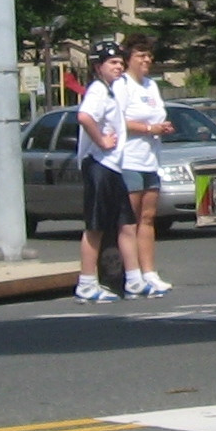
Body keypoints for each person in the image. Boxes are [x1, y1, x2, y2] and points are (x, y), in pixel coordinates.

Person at [75, 45, 140, 304]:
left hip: (113, 166)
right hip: (99, 165)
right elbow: (84, 116)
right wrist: (101, 141)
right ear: (98, 66)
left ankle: (134, 278)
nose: (118, 66)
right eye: (112, 62)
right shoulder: (97, 90)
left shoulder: (112, 91)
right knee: (96, 227)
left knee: (127, 223)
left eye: (120, 62)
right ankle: (87, 283)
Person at [114, 38, 175, 297]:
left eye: (149, 56)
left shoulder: (151, 86)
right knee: (129, 219)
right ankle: (132, 274)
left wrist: (163, 127)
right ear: (129, 58)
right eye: (141, 56)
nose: (146, 60)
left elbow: (157, 115)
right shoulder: (121, 85)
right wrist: (149, 128)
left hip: (151, 159)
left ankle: (150, 272)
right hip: (129, 159)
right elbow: (119, 120)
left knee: (148, 218)